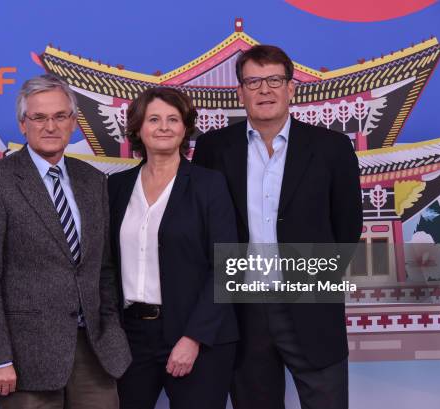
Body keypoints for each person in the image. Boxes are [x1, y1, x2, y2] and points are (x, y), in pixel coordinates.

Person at [193, 45, 363, 409]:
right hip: (242, 307)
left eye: (274, 79)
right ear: (240, 92)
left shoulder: (331, 148)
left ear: (291, 88)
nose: (264, 90)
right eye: (253, 81)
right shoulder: (213, 148)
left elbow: (347, 226)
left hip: (311, 303)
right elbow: (203, 228)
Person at [0, 74, 131, 409]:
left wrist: (110, 328)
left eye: (59, 116)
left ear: (73, 123)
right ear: (23, 125)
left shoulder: (93, 181)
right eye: (39, 117)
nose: (50, 126)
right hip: (25, 357)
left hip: (94, 352)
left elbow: (104, 270)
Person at [108, 87, 239, 409]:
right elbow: (105, 264)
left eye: (173, 119)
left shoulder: (210, 185)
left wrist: (193, 337)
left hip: (197, 334)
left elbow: (227, 267)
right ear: (138, 128)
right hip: (131, 336)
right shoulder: (115, 187)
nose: (163, 127)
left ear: (185, 128)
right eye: (153, 119)